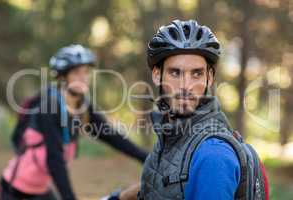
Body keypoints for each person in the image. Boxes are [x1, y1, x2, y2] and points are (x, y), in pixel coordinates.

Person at [104, 19, 268, 200]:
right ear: (157, 74)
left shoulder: (213, 157)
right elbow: (161, 185)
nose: (186, 86)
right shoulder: (173, 133)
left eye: (196, 73)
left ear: (209, 77)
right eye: (175, 72)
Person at [0, 44, 148, 200]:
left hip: (41, 190)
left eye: (86, 72)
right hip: (15, 191)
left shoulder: (83, 106)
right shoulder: (49, 107)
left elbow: (111, 136)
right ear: (63, 77)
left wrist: (148, 158)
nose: (84, 77)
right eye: (76, 72)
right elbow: (55, 161)